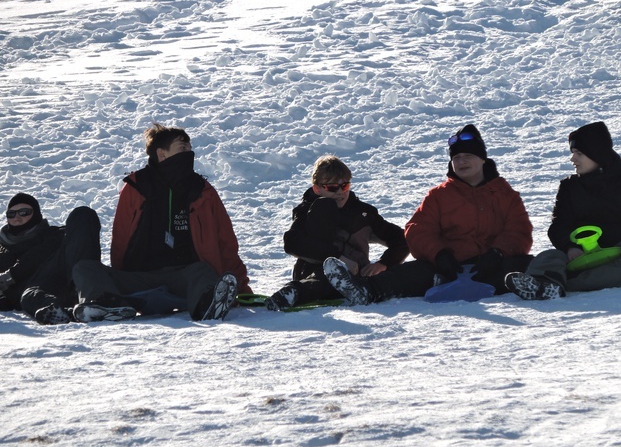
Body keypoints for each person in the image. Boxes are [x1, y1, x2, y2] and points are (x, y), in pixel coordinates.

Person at [322, 124, 534, 304]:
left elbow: (519, 231)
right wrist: (439, 255)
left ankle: (539, 287)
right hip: (448, 265)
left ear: (482, 160)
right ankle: (366, 291)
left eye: (468, 156)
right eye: (457, 157)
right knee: (411, 272)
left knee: (526, 265)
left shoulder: (505, 194)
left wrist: (498, 253)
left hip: (493, 265)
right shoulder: (439, 195)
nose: (461, 162)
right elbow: (418, 230)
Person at [71, 123, 251, 322]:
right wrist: (119, 277)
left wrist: (242, 289)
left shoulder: (203, 191)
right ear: (162, 154)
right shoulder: (136, 187)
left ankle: (207, 304)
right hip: (139, 277)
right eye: (182, 149)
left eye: (190, 149)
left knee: (203, 272)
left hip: (185, 278)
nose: (189, 154)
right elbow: (120, 239)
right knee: (85, 267)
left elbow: (226, 243)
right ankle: (107, 305)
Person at [505, 121, 621, 299]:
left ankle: (557, 284)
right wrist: (569, 246)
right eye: (573, 153)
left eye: (579, 154)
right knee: (549, 257)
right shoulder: (569, 187)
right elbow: (559, 225)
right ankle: (548, 280)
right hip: (576, 258)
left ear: (596, 155)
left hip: (614, 259)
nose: (572, 159)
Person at [265, 155, 409, 311]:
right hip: (315, 273)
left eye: (345, 186)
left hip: (356, 277)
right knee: (325, 208)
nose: (340, 192)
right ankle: (293, 293)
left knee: (403, 274)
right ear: (317, 188)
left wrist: (384, 263)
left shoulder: (362, 213)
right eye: (332, 187)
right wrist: (339, 258)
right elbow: (292, 243)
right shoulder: (308, 211)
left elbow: (402, 238)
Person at [0, 193, 101, 325]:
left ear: (35, 214)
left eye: (24, 212)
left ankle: (95, 299)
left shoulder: (54, 235)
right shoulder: (3, 250)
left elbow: (38, 255)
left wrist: (10, 276)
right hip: (36, 289)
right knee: (30, 296)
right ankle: (57, 313)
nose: (17, 218)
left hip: (67, 280)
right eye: (11, 214)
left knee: (82, 214)